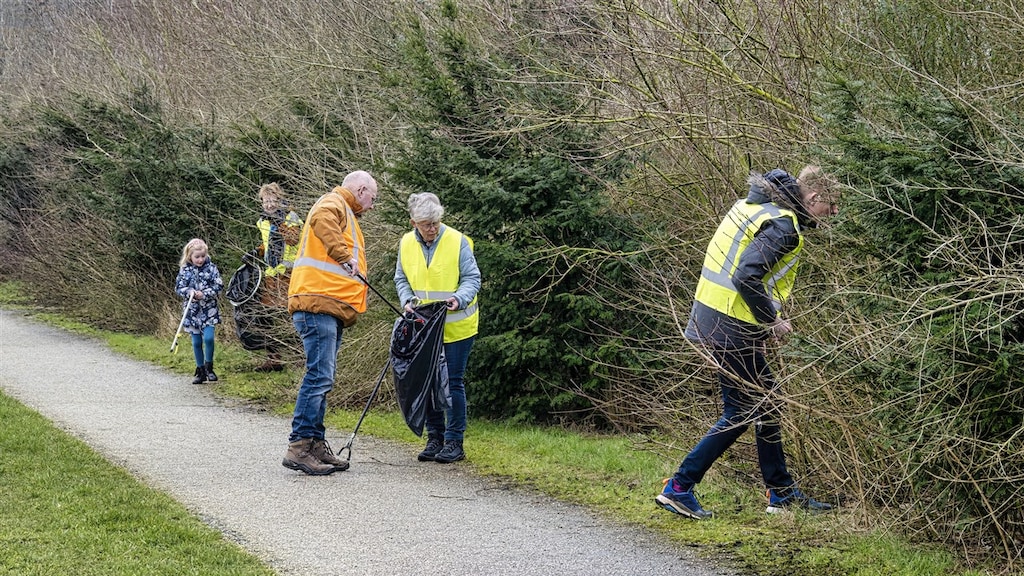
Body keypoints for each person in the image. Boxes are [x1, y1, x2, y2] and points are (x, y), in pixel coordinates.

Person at [656, 165, 839, 520]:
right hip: (731, 326)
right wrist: (772, 320)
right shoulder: (784, 227)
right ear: (813, 198)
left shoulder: (753, 206)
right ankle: (679, 487)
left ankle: (781, 493)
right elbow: (746, 275)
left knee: (766, 402)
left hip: (716, 319)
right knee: (745, 409)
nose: (833, 214)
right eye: (831, 205)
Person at [282, 170, 379, 476]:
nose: (373, 206)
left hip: (328, 306)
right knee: (319, 377)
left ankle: (316, 444)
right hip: (317, 304)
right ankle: (299, 447)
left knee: (323, 378)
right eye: (372, 199)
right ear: (360, 189)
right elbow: (321, 220)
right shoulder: (333, 202)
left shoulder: (346, 211)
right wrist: (343, 256)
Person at [394, 193, 481, 464]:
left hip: (457, 327)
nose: (432, 228)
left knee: (453, 383)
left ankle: (455, 441)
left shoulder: (458, 241)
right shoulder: (406, 243)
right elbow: (401, 278)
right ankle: (435, 438)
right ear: (413, 223)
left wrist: (459, 298)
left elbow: (472, 278)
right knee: (428, 382)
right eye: (426, 224)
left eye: (435, 223)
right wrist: (407, 300)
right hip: (423, 327)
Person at [253, 182, 304, 372]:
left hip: (290, 274)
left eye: (272, 200)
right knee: (264, 315)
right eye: (265, 201)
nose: (269, 205)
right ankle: (273, 358)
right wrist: (256, 251)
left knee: (291, 315)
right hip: (271, 274)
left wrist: (280, 225)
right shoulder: (262, 221)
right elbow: (267, 244)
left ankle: (300, 355)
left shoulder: (291, 217)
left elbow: (293, 239)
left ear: (280, 199)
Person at [174, 238, 224, 385]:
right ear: (190, 256)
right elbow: (178, 288)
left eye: (202, 256)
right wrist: (190, 292)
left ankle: (209, 367)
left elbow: (218, 285)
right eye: (197, 257)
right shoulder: (184, 270)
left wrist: (205, 293)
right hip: (192, 311)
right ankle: (200, 370)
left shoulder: (211, 268)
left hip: (209, 310)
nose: (200, 259)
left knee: (208, 338)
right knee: (196, 342)